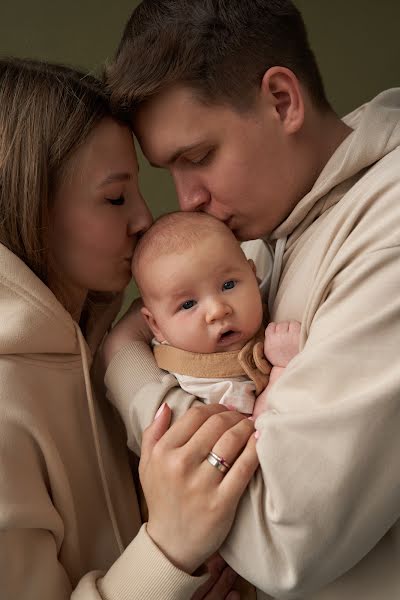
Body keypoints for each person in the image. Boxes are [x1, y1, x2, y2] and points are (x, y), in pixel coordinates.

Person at [104, 1, 400, 598]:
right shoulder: (265, 240)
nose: (186, 199)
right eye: (170, 170)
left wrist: (127, 367)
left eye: (198, 158)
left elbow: (280, 534)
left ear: (283, 100)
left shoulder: (388, 226)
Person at [0, 57, 261, 600]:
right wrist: (168, 550)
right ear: (28, 204)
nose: (145, 218)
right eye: (116, 197)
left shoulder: (119, 341)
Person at [131, 210, 300, 416]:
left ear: (254, 278)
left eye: (228, 285)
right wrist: (282, 370)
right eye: (188, 304)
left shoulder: (273, 303)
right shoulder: (198, 381)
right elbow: (254, 430)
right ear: (156, 326)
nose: (217, 311)